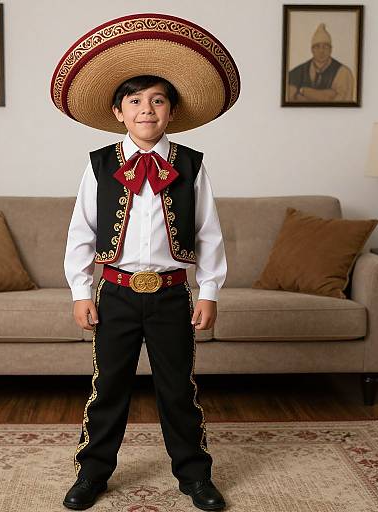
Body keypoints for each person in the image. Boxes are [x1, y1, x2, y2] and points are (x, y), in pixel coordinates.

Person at [50, 13, 240, 511]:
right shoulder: (99, 165)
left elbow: (210, 233)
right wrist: (79, 291)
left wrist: (210, 291)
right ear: (118, 111)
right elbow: (80, 233)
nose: (147, 110)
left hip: (172, 295)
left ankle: (194, 476)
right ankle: (92, 473)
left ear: (171, 112)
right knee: (108, 386)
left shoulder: (192, 165)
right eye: (135, 101)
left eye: (158, 100)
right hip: (114, 292)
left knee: (177, 388)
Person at [288, 22, 354, 102]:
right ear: (312, 50)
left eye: (325, 47)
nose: (321, 51)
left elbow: (340, 104)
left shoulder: (343, 72)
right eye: (317, 46)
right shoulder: (297, 72)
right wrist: (326, 95)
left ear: (331, 49)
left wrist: (303, 91)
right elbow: (290, 99)